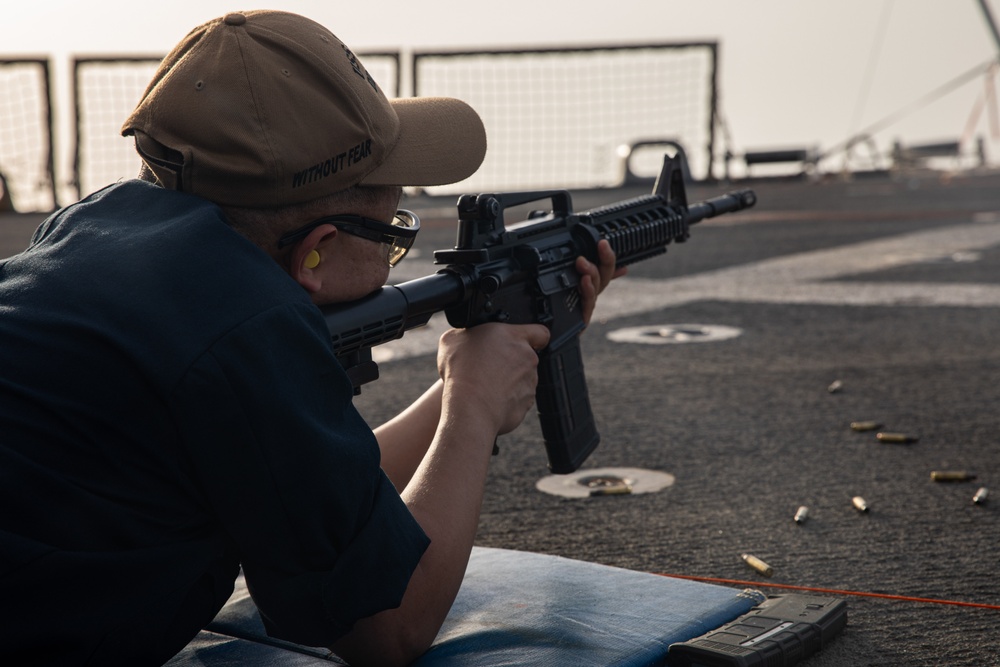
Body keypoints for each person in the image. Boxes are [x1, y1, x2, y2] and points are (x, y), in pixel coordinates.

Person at [0, 10, 621, 667]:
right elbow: (388, 626)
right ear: (316, 254)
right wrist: (474, 411)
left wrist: (461, 386)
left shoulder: (89, 230)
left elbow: (304, 487)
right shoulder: (248, 321)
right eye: (395, 232)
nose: (397, 251)